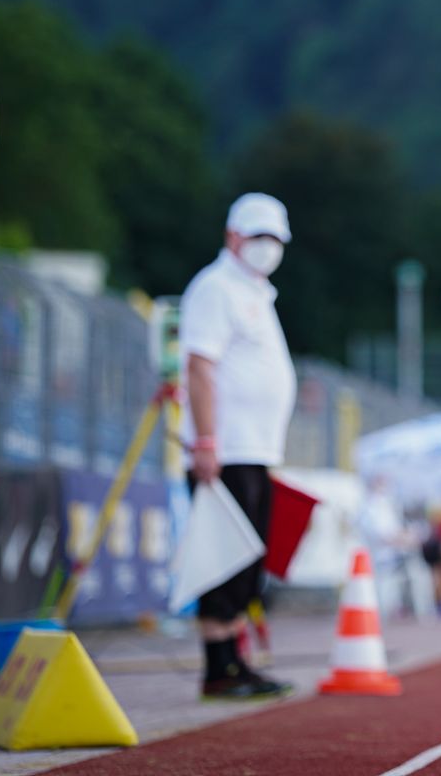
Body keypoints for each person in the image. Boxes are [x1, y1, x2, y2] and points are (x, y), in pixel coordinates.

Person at [179, 191, 299, 700]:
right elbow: (200, 368)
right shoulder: (215, 289)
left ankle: (235, 660)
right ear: (234, 237)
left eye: (275, 238)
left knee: (247, 560)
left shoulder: (254, 292)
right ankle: (219, 666)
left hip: (256, 449)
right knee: (223, 557)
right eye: (259, 236)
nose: (268, 247)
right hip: (227, 450)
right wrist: (206, 440)